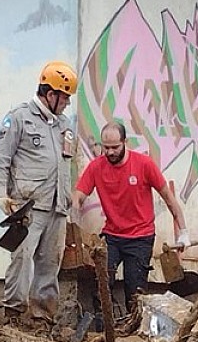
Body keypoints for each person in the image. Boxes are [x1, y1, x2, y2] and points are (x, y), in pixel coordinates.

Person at [0, 60, 78, 331]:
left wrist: (67, 195)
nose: (67, 103)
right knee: (22, 261)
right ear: (50, 94)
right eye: (64, 97)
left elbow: (65, 163)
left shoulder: (64, 125)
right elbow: (1, 160)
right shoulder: (18, 118)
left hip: (57, 206)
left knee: (50, 264)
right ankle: (13, 317)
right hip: (28, 206)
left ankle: (42, 319)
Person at [73, 122, 187, 314]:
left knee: (135, 293)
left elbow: (168, 198)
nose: (109, 152)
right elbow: (79, 195)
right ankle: (103, 332)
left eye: (115, 147)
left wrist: (183, 231)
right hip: (112, 236)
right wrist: (75, 209)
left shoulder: (144, 164)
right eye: (105, 147)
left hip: (140, 237)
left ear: (125, 142)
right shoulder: (96, 167)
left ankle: (133, 334)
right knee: (101, 283)